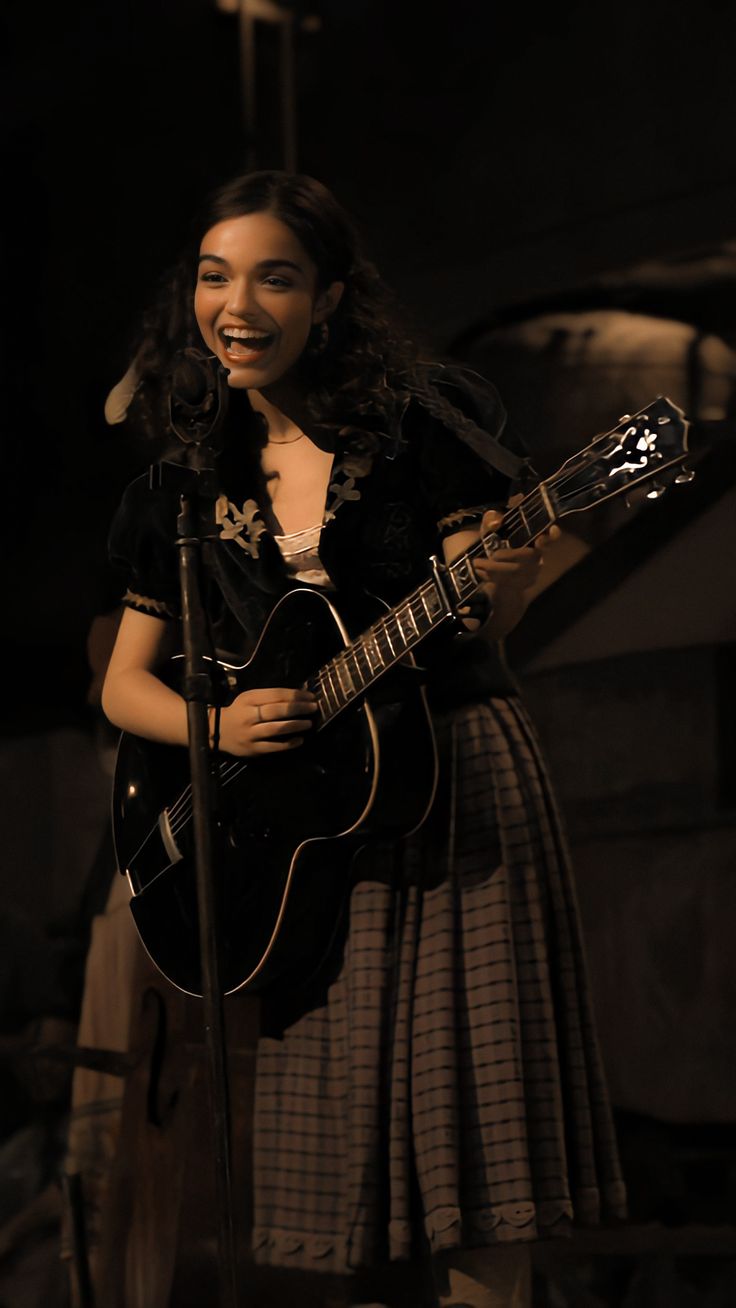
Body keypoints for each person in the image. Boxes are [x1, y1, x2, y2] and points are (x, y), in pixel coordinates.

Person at [101, 170, 626, 1308]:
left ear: (329, 297)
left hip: (455, 787)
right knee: (347, 1188)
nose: (236, 301)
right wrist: (221, 720)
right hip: (303, 838)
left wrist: (498, 579)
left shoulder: (424, 417)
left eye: (275, 276)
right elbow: (123, 690)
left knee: (478, 1152)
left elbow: (495, 603)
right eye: (214, 274)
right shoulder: (184, 486)